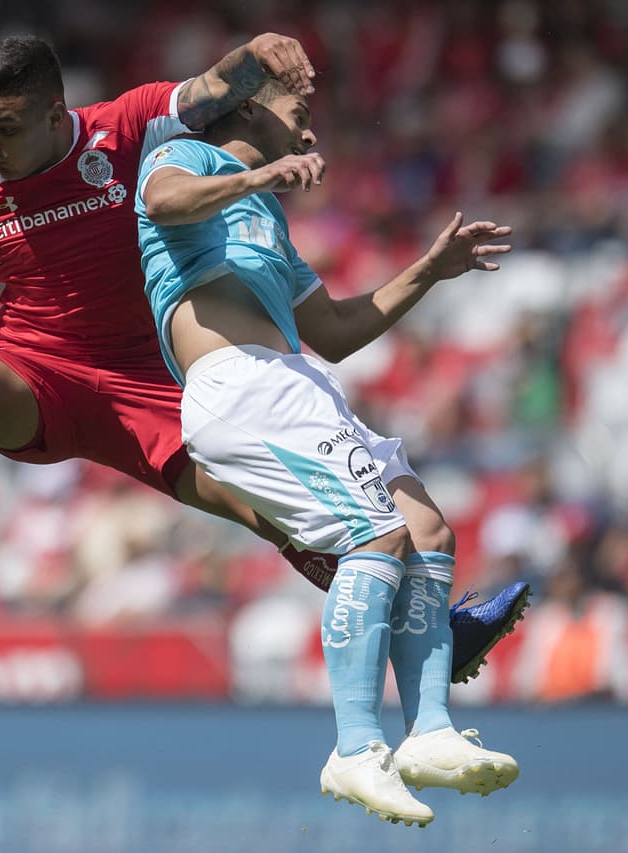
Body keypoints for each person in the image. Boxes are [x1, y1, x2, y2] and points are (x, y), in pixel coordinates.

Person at [0, 34, 527, 691]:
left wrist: (258, 53)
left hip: (152, 383)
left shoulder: (121, 129)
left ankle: (434, 637)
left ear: (56, 113)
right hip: (40, 371)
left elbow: (215, 87)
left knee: (271, 514)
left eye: (9, 126)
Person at [135, 78, 519, 825]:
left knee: (428, 528)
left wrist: (429, 272)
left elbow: (336, 328)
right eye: (298, 114)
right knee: (375, 534)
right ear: (247, 109)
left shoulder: (267, 218)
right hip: (238, 384)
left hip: (297, 381)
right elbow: (161, 205)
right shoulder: (182, 157)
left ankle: (430, 732)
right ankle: (353, 745)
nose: (309, 134)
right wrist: (259, 173)